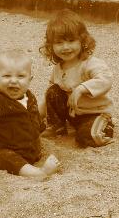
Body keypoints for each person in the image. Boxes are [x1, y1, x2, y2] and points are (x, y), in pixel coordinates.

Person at [0, 49, 60, 180]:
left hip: (27, 148)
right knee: (10, 160)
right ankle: (39, 173)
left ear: (29, 79)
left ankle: (31, 163)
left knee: (25, 156)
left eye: (20, 76)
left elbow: (33, 117)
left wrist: (39, 127)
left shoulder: (29, 96)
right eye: (7, 76)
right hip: (1, 148)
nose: (13, 81)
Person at [39, 9, 114, 148]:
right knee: (53, 91)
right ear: (51, 46)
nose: (65, 47)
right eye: (59, 43)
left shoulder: (89, 63)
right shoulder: (59, 67)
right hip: (73, 116)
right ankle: (57, 126)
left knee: (84, 138)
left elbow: (106, 79)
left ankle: (103, 130)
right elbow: (49, 96)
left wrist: (82, 88)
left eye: (71, 41)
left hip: (95, 114)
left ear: (82, 41)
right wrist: (37, 114)